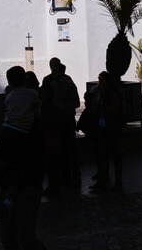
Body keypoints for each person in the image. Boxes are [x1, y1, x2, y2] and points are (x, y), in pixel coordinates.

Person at [0, 67, 46, 250]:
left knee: (12, 236)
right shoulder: (34, 133)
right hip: (27, 185)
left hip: (17, 187)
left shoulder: (8, 131)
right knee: (26, 236)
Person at [38, 59, 80, 196]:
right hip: (57, 121)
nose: (53, 71)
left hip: (65, 120)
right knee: (62, 150)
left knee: (69, 150)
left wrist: (62, 106)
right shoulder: (49, 81)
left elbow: (75, 102)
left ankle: (72, 178)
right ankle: (66, 177)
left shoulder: (67, 83)